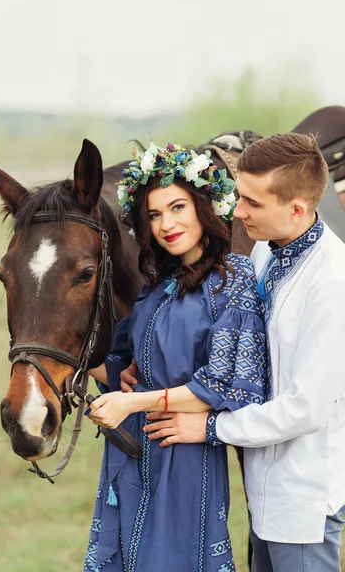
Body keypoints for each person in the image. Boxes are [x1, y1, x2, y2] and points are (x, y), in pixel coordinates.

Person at [135, 133, 345, 572]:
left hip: (303, 497)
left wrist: (210, 427)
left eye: (251, 202)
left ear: (297, 210)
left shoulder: (331, 284)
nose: (238, 211)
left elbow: (305, 409)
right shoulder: (269, 251)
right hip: (264, 486)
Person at [82, 141, 267, 572]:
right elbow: (123, 362)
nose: (167, 224)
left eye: (178, 207)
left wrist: (134, 402)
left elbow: (222, 387)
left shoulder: (232, 282)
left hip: (182, 453)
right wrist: (61, 355)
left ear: (203, 206)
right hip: (130, 454)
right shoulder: (157, 283)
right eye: (154, 214)